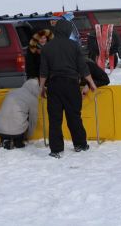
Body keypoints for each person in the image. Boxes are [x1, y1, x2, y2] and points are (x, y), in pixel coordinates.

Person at [38, 19, 97, 158]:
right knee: (74, 116)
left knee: (55, 119)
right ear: (69, 31)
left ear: (56, 31)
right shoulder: (74, 46)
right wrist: (91, 83)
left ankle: (56, 150)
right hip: (71, 85)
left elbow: (43, 71)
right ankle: (80, 144)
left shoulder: (47, 47)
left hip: (54, 86)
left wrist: (41, 88)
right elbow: (83, 67)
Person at [0, 79, 40, 149]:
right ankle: (18, 142)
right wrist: (29, 135)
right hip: (18, 132)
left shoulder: (12, 91)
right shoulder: (32, 99)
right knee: (27, 116)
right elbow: (33, 119)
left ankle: (5, 139)